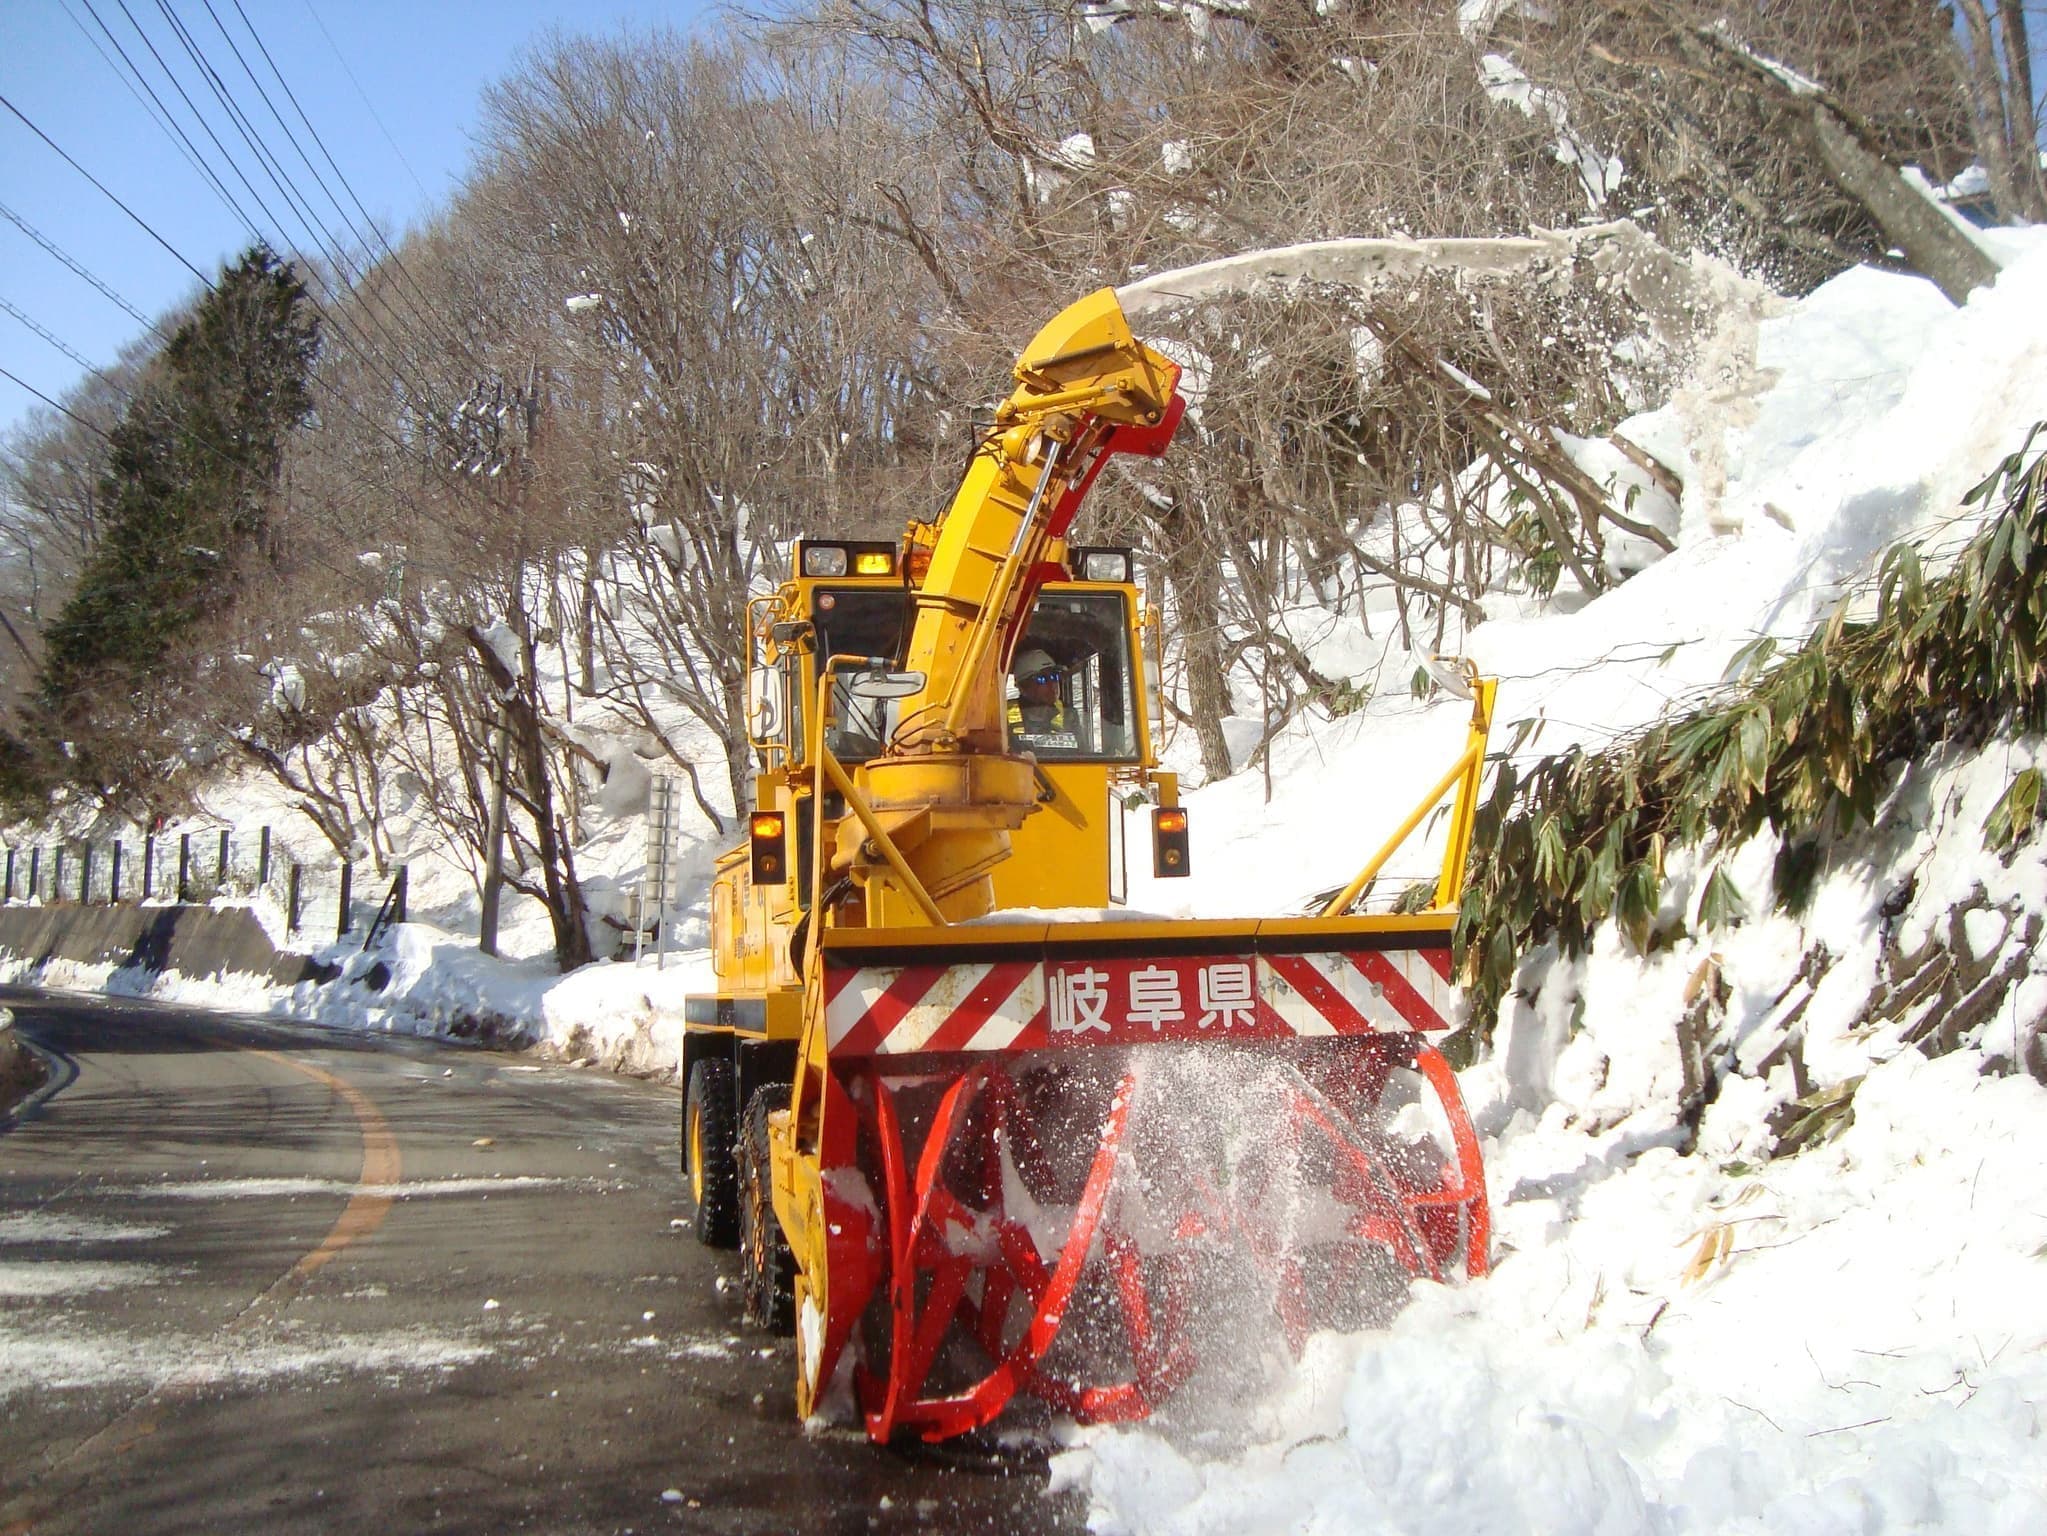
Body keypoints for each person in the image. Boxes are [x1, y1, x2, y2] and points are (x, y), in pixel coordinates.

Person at [1008, 647, 1082, 751]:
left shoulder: (1069, 715)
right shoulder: (1002, 716)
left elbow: (1082, 753)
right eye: (1041, 679)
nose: (1052, 684)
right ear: (1023, 687)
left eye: (1054, 677)